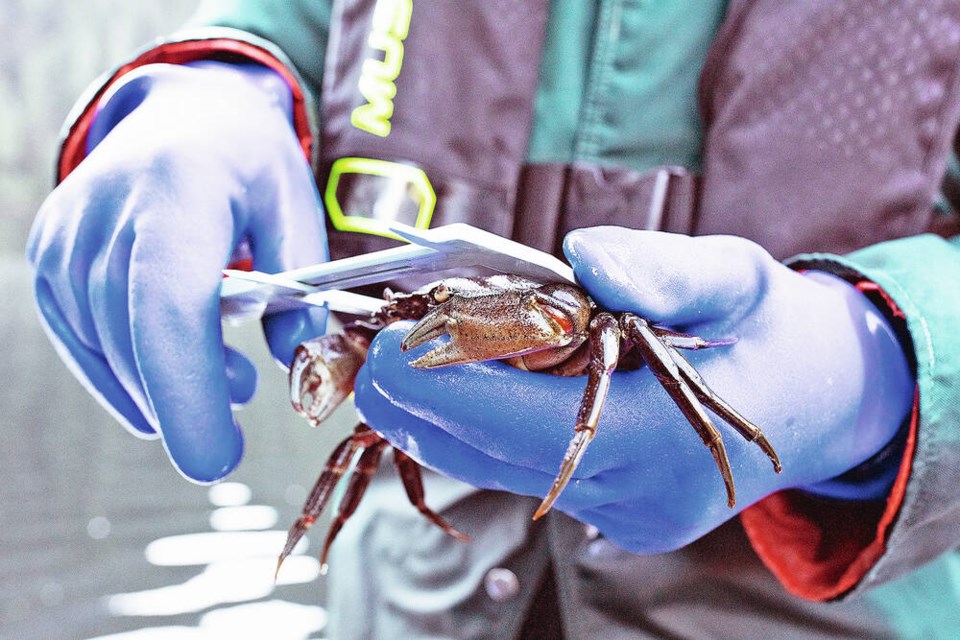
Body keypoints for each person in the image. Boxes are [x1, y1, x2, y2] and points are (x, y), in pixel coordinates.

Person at [26, 1, 960, 637]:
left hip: (837, 605)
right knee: (368, 440)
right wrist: (229, 74)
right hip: (408, 598)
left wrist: (882, 363)